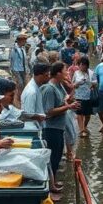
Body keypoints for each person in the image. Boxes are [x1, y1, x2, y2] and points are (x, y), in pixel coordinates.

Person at [40, 62, 80, 193]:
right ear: (57, 73)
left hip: (59, 128)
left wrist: (67, 101)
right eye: (65, 71)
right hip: (51, 129)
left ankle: (53, 183)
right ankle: (50, 190)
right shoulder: (49, 89)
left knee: (57, 157)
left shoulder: (59, 86)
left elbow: (60, 103)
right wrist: (68, 107)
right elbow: (49, 112)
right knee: (52, 159)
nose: (67, 74)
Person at [72, 56, 96, 138]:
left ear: (87, 65)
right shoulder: (76, 73)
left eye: (83, 65)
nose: (81, 66)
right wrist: (77, 84)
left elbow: (95, 83)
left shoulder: (91, 73)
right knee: (79, 113)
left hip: (88, 96)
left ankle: (85, 126)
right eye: (80, 64)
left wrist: (91, 83)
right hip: (78, 96)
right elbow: (73, 85)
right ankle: (81, 130)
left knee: (88, 114)